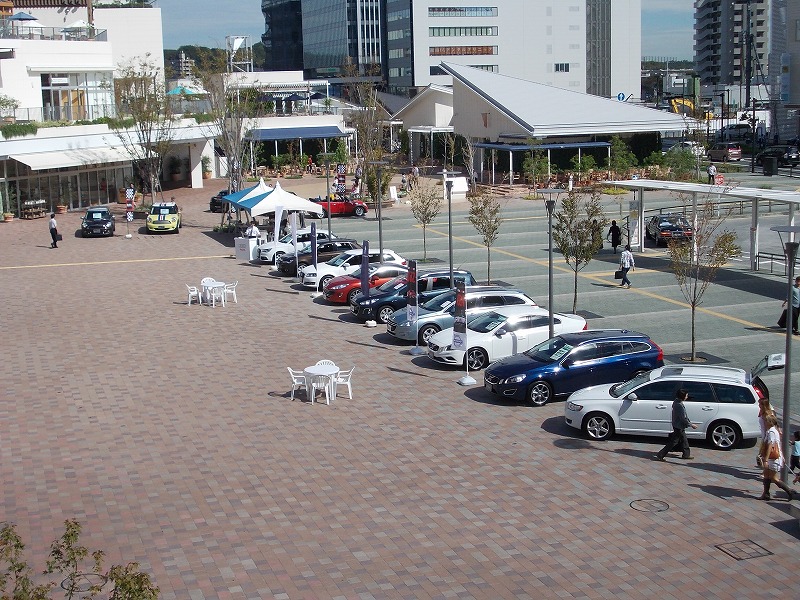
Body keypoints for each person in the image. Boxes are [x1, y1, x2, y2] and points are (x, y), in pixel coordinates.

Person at [758, 413, 794, 501]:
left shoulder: (772, 432)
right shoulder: (772, 430)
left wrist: (765, 459)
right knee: (766, 475)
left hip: (773, 458)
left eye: (766, 421)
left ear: (769, 422)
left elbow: (771, 445)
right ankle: (766, 494)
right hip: (773, 457)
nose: (764, 422)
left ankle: (789, 491)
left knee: (774, 478)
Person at [655, 389, 697, 461]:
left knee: (684, 440)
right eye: (686, 395)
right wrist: (691, 425)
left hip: (678, 425)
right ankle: (660, 455)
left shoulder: (676, 401)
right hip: (679, 426)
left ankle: (686, 454)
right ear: (682, 396)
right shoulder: (679, 405)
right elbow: (683, 418)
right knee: (674, 442)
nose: (687, 397)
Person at [756, 397, 776, 468]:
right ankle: (765, 470)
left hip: (766, 435)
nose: (758, 405)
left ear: (763, 405)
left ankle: (765, 470)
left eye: (760, 404)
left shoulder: (766, 414)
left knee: (764, 454)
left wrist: (765, 438)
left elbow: (769, 425)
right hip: (764, 434)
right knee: (763, 454)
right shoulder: (763, 412)